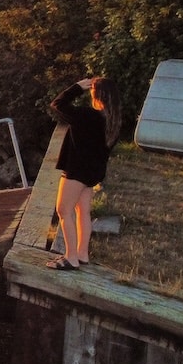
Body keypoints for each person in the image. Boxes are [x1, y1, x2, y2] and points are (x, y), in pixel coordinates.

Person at [46, 75, 122, 270]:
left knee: (63, 211)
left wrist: (77, 87)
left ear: (96, 95)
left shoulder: (86, 116)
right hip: (92, 174)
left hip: (76, 171)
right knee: (83, 212)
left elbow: (58, 104)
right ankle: (82, 254)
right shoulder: (112, 121)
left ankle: (70, 257)